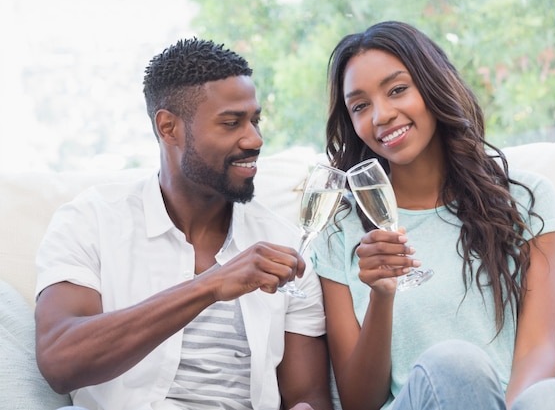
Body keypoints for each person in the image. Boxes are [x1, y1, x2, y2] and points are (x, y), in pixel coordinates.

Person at [310, 20, 555, 410]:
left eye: (397, 90)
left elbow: (537, 349)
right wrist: (381, 294)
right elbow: (360, 401)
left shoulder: (526, 199)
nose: (381, 115)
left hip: (519, 403)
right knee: (455, 365)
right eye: (360, 106)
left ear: (433, 86)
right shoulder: (339, 230)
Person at [34, 37, 332, 410]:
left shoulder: (286, 247)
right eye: (230, 123)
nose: (254, 139)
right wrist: (208, 287)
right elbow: (60, 361)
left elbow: (308, 397)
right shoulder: (90, 221)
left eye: (255, 120)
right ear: (168, 128)